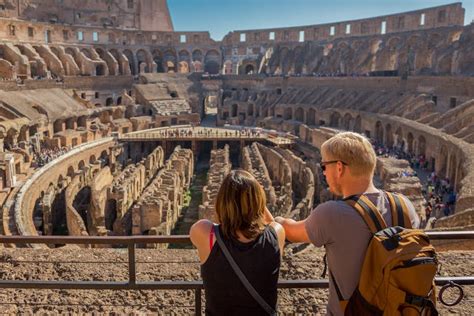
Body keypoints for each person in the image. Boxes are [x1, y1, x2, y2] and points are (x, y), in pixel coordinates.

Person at [275, 132, 420, 316]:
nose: (324, 172)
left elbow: (290, 231)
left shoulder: (331, 213)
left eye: (324, 166)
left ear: (339, 168)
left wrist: (272, 219)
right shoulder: (405, 206)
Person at [190, 169, 285, 315]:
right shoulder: (277, 233)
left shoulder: (204, 232)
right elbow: (270, 223)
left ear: (222, 201)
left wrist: (228, 215)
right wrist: (256, 195)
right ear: (258, 201)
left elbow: (212, 225)